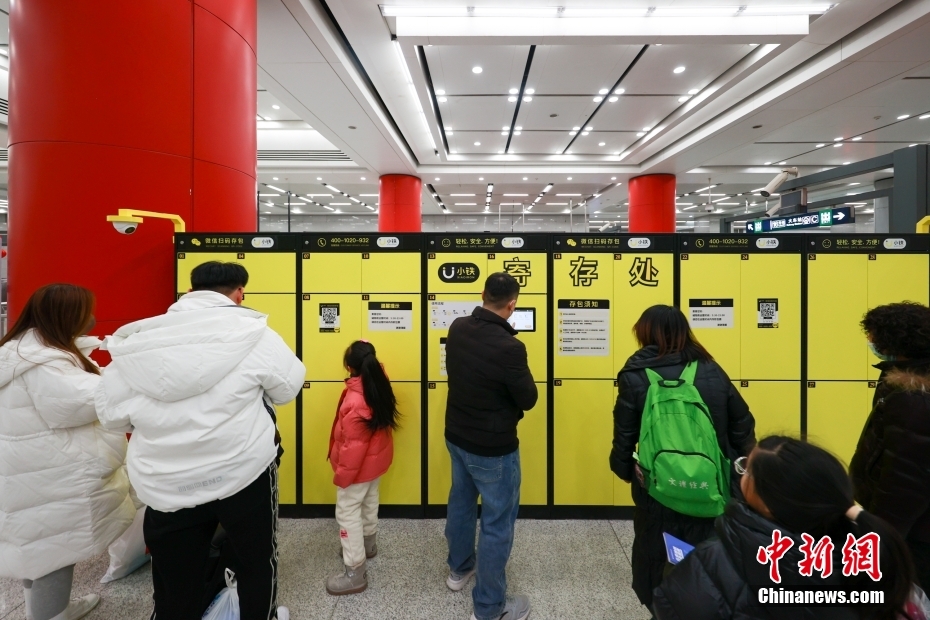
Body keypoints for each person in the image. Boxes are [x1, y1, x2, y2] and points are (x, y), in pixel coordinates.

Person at [95, 262, 305, 620]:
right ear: (239, 293)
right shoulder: (256, 334)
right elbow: (288, 388)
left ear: (189, 292)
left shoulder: (142, 342)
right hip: (242, 473)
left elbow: (110, 412)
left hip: (165, 481)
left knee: (175, 575)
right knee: (256, 563)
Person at [653, 436, 920, 620]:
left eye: (747, 471)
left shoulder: (713, 559)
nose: (741, 473)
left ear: (768, 503)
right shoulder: (875, 561)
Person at [0, 284, 134, 620]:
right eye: (86, 311)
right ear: (67, 316)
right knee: (52, 550)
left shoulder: (23, 348)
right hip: (48, 473)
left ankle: (49, 610)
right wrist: (130, 366)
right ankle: (50, 615)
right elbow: (87, 400)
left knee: (38, 546)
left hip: (29, 468)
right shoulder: (44, 363)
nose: (92, 318)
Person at [610, 304, 756, 612]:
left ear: (645, 332)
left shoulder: (635, 375)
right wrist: (740, 468)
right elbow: (742, 422)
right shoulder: (710, 370)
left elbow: (625, 434)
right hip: (711, 485)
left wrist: (625, 469)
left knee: (657, 552)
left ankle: (662, 606)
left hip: (659, 488)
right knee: (709, 552)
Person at [444, 272, 537, 620]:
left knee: (462, 502)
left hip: (456, 436)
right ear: (512, 305)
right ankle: (489, 608)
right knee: (497, 523)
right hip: (493, 448)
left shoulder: (457, 327)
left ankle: (459, 570)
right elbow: (528, 399)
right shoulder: (510, 347)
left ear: (482, 294)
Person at [851, 302, 930, 591]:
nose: (871, 342)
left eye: (874, 336)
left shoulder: (915, 397)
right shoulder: (904, 380)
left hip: (915, 534)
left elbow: (906, 480)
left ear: (896, 340)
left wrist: (881, 537)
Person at [325, 340, 399, 596]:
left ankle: (355, 570)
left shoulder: (355, 400)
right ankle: (368, 545)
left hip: (358, 468)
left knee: (347, 511)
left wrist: (342, 476)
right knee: (369, 500)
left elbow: (352, 448)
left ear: (349, 367)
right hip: (375, 464)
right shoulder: (379, 381)